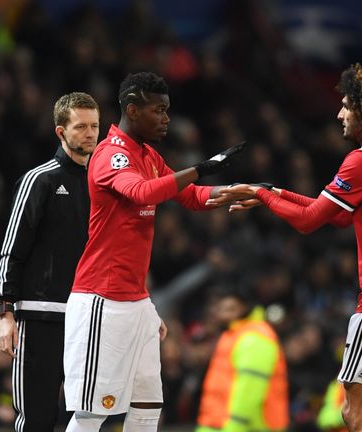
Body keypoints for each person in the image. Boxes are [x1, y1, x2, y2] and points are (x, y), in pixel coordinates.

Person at [212, 64, 362, 432]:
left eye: (346, 105)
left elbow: (309, 221)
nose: (339, 114)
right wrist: (275, 192)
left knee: (355, 412)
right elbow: (337, 214)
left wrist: (260, 194)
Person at [63, 71, 248, 432]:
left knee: (148, 405)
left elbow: (191, 197)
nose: (166, 119)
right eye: (159, 110)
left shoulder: (146, 154)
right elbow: (143, 193)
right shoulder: (109, 155)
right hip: (102, 300)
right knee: (92, 413)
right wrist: (200, 168)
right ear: (132, 110)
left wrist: (240, 190)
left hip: (137, 301)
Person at [0, 91, 98, 431]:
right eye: (80, 126)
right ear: (60, 131)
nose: (89, 133)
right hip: (39, 318)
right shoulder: (40, 179)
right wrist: (6, 312)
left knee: (85, 418)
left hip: (88, 319)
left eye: (95, 126)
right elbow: (13, 248)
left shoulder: (104, 184)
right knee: (37, 418)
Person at [196, 288, 288, 432]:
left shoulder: (256, 337)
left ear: (243, 307)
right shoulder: (234, 334)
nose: (219, 312)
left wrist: (236, 425)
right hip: (218, 423)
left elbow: (250, 387)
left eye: (227, 307)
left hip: (247, 427)